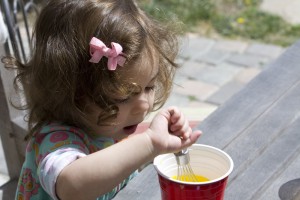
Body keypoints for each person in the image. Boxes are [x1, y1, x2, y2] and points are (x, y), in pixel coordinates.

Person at [2, 0, 202, 199]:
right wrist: (150, 143)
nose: (144, 105)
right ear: (71, 94)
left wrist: (159, 143)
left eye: (149, 86)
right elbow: (73, 186)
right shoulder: (55, 143)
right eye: (123, 97)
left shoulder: (108, 127)